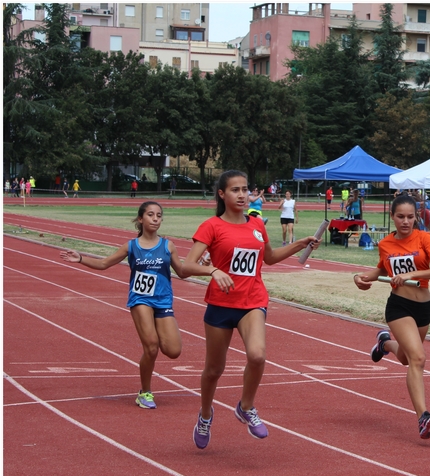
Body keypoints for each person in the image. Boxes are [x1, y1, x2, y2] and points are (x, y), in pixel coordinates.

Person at [180, 170, 318, 449]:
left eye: (245, 189)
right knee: (213, 370)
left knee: (257, 356)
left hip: (253, 300)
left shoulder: (256, 223)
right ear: (222, 194)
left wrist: (298, 245)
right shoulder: (211, 226)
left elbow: (268, 258)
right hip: (221, 304)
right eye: (235, 190)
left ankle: (246, 406)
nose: (242, 195)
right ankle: (205, 414)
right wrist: (213, 270)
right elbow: (184, 267)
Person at [60, 201, 187, 409]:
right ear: (140, 219)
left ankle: (154, 342)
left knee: (173, 350)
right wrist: (81, 258)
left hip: (163, 300)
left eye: (159, 215)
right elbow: (104, 264)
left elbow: (181, 271)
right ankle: (145, 392)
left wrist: (205, 268)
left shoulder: (168, 245)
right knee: (152, 346)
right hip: (140, 299)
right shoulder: (131, 246)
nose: (155, 219)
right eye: (151, 215)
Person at [353, 195, 430, 439]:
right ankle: (423, 417)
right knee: (418, 358)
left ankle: (384, 343)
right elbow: (382, 269)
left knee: (407, 359)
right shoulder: (386, 244)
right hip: (399, 307)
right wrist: (361, 277)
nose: (405, 221)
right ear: (392, 217)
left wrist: (410, 274)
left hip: (424, 307)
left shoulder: (424, 238)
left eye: (410, 216)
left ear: (416, 216)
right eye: (400, 216)